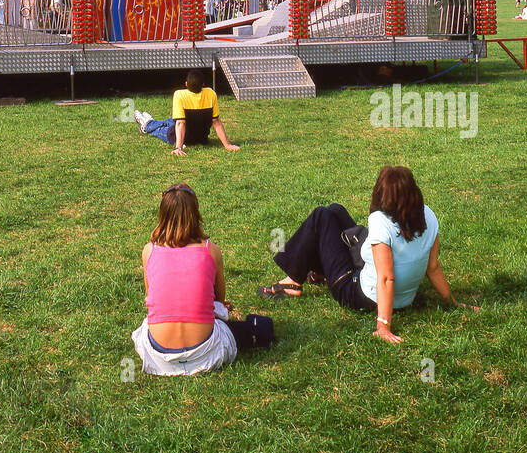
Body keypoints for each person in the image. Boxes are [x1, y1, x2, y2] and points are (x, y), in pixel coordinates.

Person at [259, 165, 476, 344]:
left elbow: (386, 277)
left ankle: (293, 281)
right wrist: (452, 302)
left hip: (356, 291)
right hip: (403, 296)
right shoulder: (428, 215)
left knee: (321, 216)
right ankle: (316, 271)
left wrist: (383, 325)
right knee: (335, 211)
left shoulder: (380, 221)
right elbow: (433, 267)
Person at [130, 183, 238, 376]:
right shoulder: (211, 251)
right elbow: (219, 301)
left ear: (162, 214)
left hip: (159, 356)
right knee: (222, 320)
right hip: (207, 353)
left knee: (146, 325)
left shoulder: (149, 251)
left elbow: (150, 298)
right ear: (196, 214)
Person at [133, 70, 239, 156]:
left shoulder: (180, 94)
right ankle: (150, 121)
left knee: (163, 128)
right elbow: (216, 122)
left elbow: (181, 123)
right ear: (203, 84)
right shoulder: (211, 93)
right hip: (201, 138)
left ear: (186, 84)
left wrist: (178, 147)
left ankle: (146, 125)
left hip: (182, 138)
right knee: (171, 120)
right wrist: (228, 145)